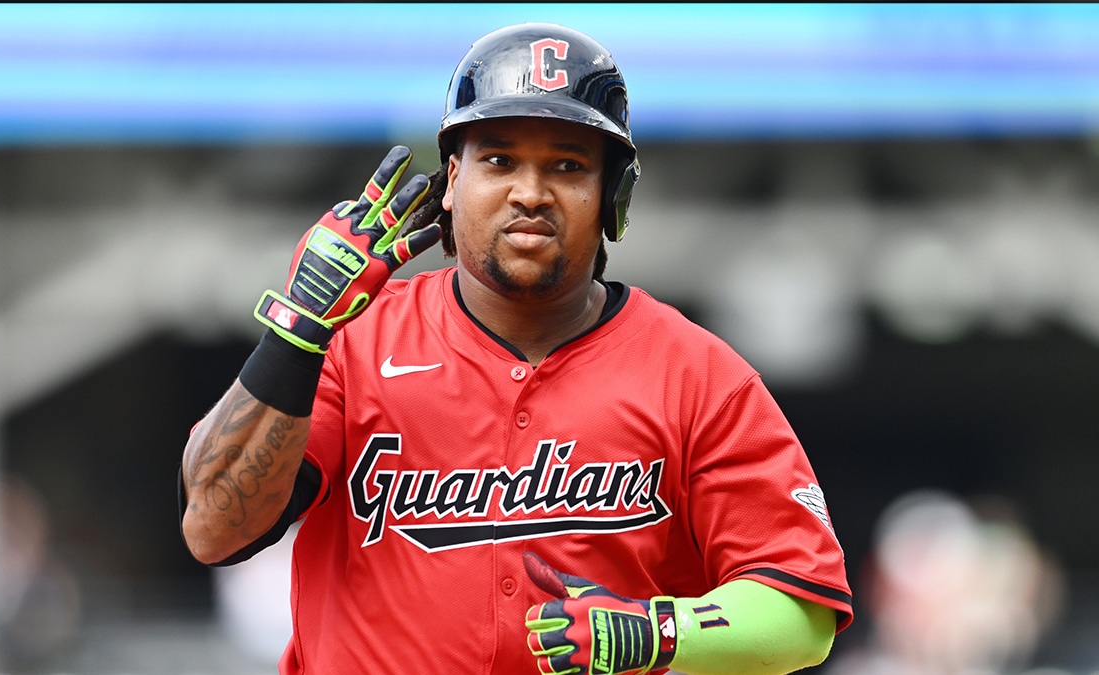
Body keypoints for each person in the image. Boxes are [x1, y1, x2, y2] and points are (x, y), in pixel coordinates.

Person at [178, 22, 852, 675]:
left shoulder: (697, 373)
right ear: (452, 181)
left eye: (567, 165)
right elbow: (214, 528)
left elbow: (801, 610)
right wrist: (296, 336)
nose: (530, 193)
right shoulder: (354, 347)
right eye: (499, 159)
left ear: (613, 194)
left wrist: (656, 631)